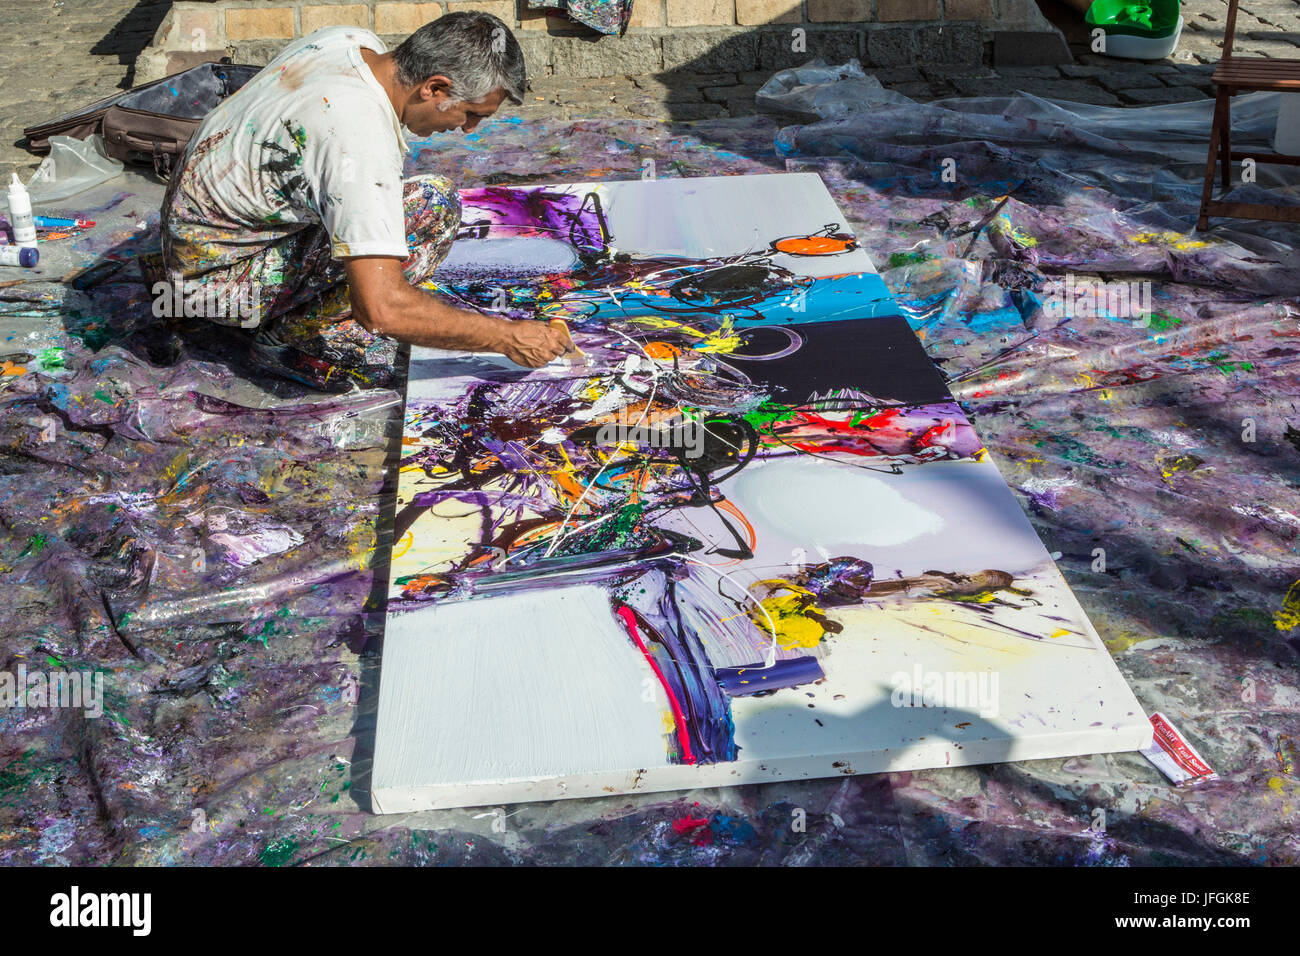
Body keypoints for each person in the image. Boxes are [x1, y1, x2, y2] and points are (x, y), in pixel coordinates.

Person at [154, 11, 573, 390]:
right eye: (470, 113)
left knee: (400, 211)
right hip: (215, 286)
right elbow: (383, 310)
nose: (468, 129)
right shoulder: (357, 141)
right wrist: (506, 336)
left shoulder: (348, 41)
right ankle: (293, 343)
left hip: (197, 235)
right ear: (435, 88)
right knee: (430, 208)